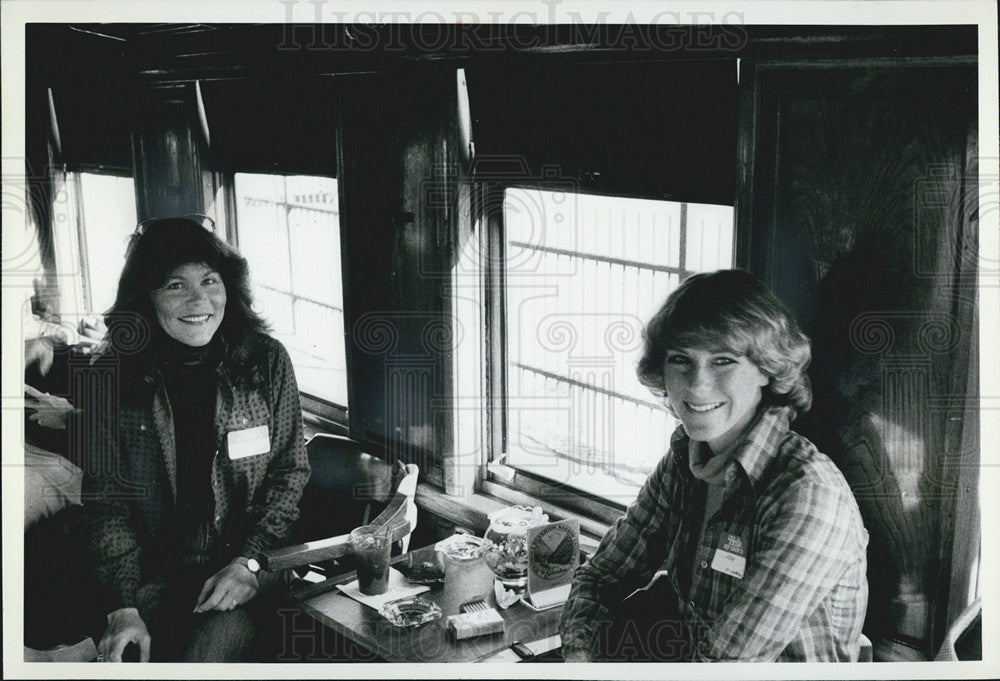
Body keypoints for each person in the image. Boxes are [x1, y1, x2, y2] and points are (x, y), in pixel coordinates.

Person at [559, 269, 868, 662]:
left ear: (766, 370)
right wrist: (579, 660)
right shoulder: (684, 462)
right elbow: (600, 577)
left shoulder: (809, 495)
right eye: (680, 360)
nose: (697, 384)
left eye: (723, 361)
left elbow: (725, 666)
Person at [80, 217, 310, 662]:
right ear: (145, 297)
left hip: (249, 569)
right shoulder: (108, 375)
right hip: (149, 575)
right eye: (174, 286)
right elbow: (107, 503)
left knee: (203, 655)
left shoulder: (266, 361)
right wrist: (123, 604)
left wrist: (250, 561)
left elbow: (289, 473)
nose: (199, 300)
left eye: (210, 281)